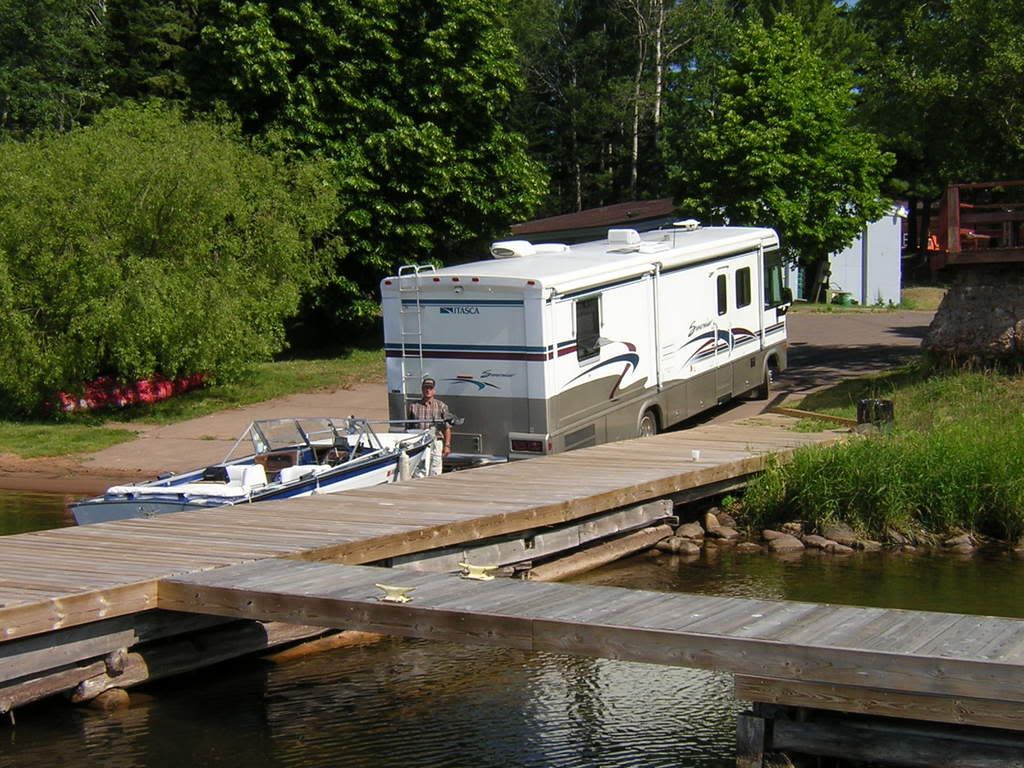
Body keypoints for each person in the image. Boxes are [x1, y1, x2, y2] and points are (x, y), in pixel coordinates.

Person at [407, 377, 451, 476]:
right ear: (422, 389)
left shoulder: (441, 406)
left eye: (430, 388)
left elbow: (447, 428)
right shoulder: (413, 406)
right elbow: (408, 428)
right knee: (419, 469)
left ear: (434, 390)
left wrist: (447, 445)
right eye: (425, 388)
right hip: (419, 442)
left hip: (436, 441)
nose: (428, 390)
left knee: (436, 468)